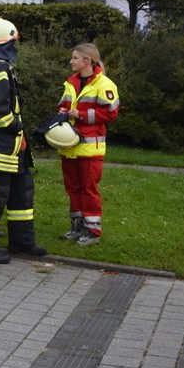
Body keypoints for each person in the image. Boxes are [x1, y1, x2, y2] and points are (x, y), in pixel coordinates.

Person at [0, 18, 47, 264]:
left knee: (20, 194)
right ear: (10, 41)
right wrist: (17, 127)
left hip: (11, 149)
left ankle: (22, 242)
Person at [57, 43, 120, 245]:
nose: (71, 61)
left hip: (90, 149)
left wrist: (82, 115)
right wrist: (62, 114)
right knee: (73, 188)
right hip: (69, 146)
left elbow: (111, 113)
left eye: (75, 58)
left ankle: (93, 231)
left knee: (88, 189)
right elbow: (63, 105)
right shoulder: (70, 83)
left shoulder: (104, 84)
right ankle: (77, 227)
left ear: (88, 60)